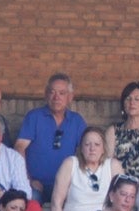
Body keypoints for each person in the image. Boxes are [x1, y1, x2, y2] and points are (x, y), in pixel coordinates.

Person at [15, 73, 87, 203]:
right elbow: (19, 148)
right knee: (30, 200)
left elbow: (87, 151)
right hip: (36, 184)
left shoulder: (77, 121)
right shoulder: (34, 117)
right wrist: (27, 180)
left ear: (70, 97)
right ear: (46, 94)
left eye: (62, 93)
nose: (56, 97)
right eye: (52, 92)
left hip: (65, 184)